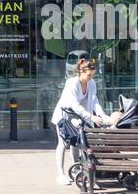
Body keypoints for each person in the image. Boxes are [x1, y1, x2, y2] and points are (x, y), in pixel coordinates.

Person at [50, 57, 122, 185]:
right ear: (81, 72)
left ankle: (77, 168)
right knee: (63, 143)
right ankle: (60, 175)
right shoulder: (72, 83)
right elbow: (73, 105)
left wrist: (103, 116)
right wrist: (90, 117)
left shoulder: (92, 83)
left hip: (79, 117)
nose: (90, 77)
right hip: (65, 117)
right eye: (89, 75)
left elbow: (95, 102)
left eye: (92, 75)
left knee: (76, 143)